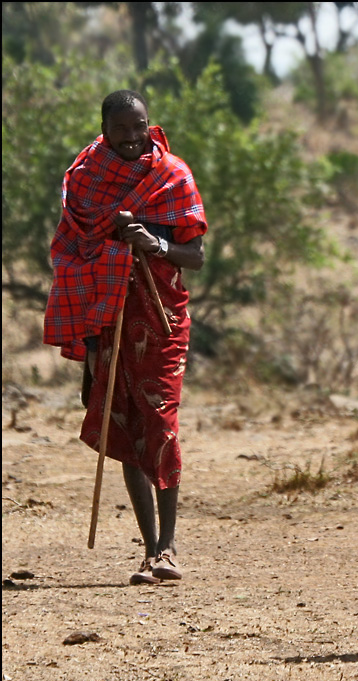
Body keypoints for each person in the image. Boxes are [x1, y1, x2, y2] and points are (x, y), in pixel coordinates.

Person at [43, 90, 208, 585]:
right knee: (127, 426)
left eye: (140, 127)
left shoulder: (172, 175)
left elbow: (194, 255)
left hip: (161, 323)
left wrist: (152, 243)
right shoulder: (86, 179)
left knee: (161, 424)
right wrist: (92, 340)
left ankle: (169, 548)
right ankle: (147, 551)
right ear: (105, 130)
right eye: (122, 131)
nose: (134, 139)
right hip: (108, 321)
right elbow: (69, 253)